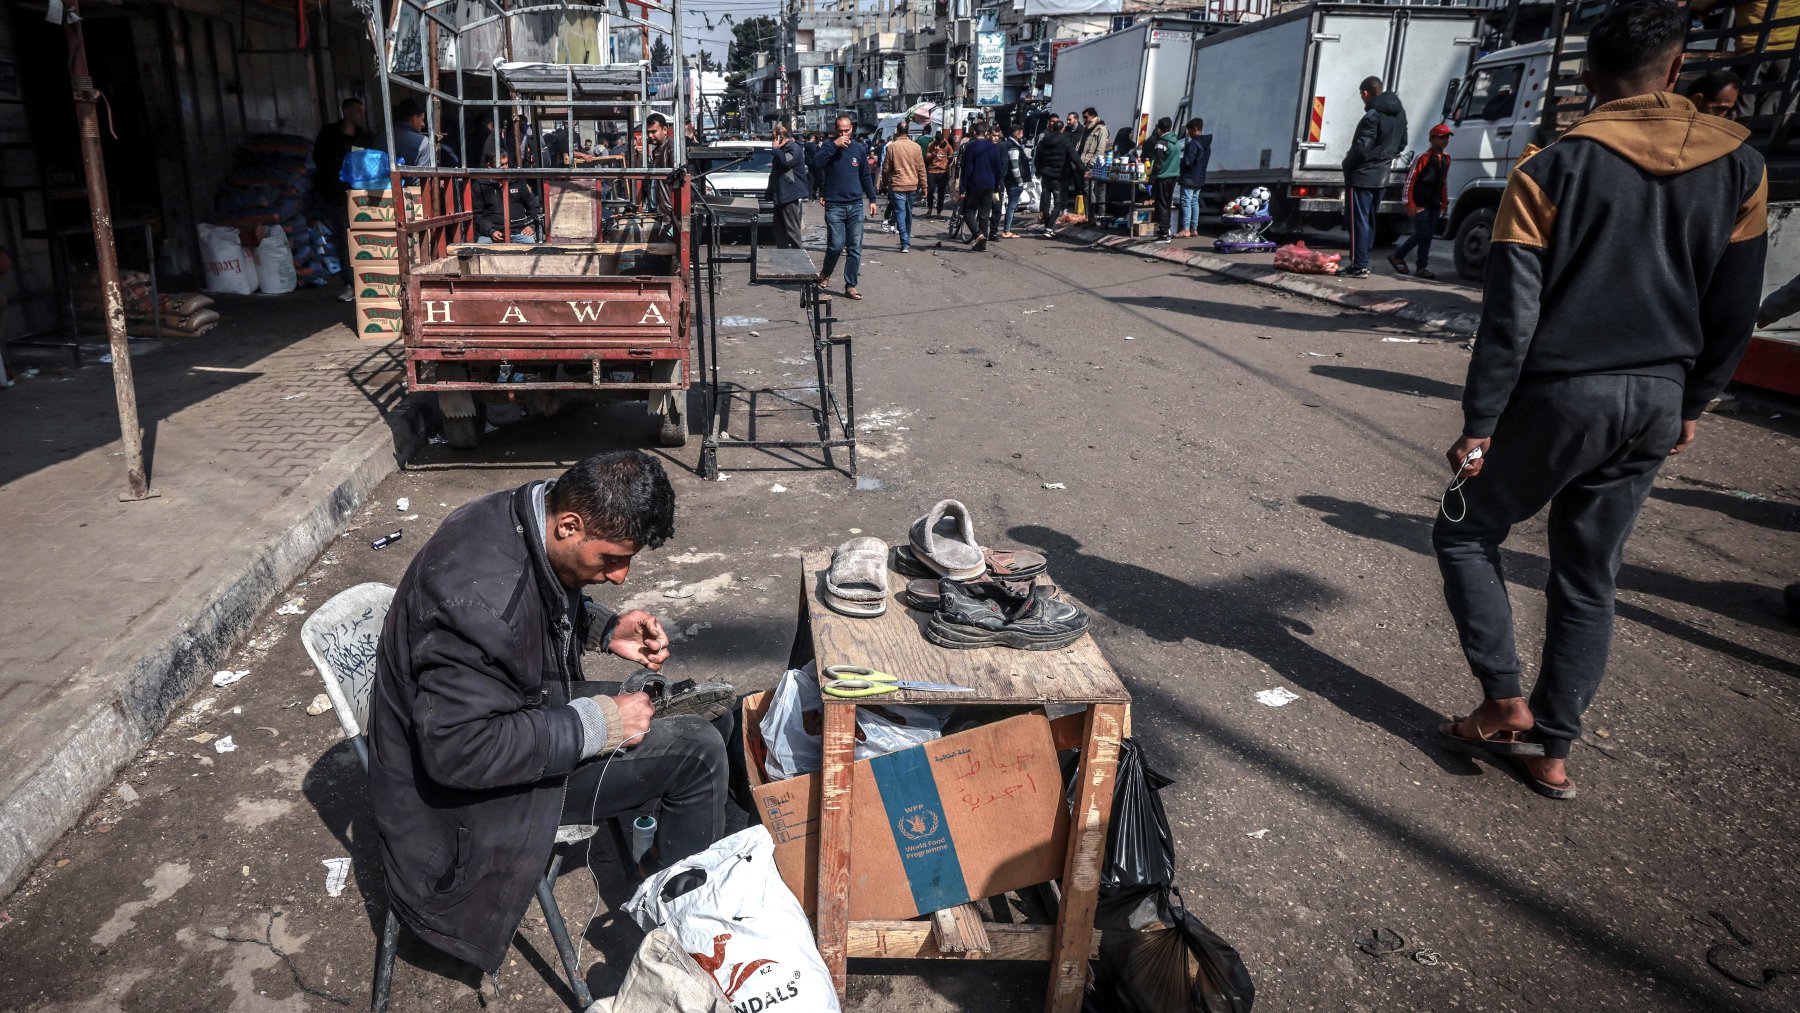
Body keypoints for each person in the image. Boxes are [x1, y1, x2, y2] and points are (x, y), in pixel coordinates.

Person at [1432, 0, 1766, 802]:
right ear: (1677, 71)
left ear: (1587, 77)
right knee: (1589, 572)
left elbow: (1510, 316)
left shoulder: (1549, 168)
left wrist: (1480, 425)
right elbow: (1735, 306)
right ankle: (1554, 749)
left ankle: (1504, 697)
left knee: (1465, 528)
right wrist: (1695, 400)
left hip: (1559, 397)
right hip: (1655, 401)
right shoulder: (1740, 168)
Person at [368, 451, 731, 975]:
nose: (619, 576)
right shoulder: (478, 603)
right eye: (610, 559)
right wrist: (600, 724)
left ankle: (671, 859)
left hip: (505, 716)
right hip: (462, 806)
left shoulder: (527, 511)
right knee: (697, 753)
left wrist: (603, 628)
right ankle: (687, 935)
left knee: (683, 701)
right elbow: (458, 754)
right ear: (570, 525)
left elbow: (538, 595)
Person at [1341, 76, 1407, 278]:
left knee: (1358, 221)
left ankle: (1358, 265)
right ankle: (1364, 262)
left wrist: (1348, 163)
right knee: (1369, 220)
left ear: (1365, 93)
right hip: (1382, 175)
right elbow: (1402, 143)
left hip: (1362, 175)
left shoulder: (1372, 116)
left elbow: (1361, 148)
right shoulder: (1400, 114)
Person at [811, 114, 879, 300]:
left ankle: (850, 285)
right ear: (835, 130)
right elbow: (816, 163)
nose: (843, 134)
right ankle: (826, 272)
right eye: (840, 131)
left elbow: (865, 176)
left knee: (854, 247)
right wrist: (834, 145)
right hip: (834, 206)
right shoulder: (828, 146)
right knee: (835, 245)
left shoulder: (859, 149)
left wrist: (872, 199)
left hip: (855, 205)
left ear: (852, 129)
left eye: (846, 130)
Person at [312, 97, 372, 303]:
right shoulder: (328, 134)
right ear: (346, 113)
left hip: (359, 195)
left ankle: (366, 282)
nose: (361, 116)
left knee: (362, 237)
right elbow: (319, 160)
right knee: (345, 239)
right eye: (358, 112)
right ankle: (350, 284)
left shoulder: (364, 137)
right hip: (335, 196)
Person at [1388, 123, 1453, 279]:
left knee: (1428, 236)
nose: (1445, 141)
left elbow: (1442, 181)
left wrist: (1444, 202)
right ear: (1432, 139)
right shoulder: (1423, 158)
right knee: (1422, 234)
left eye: (1447, 138)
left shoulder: (1446, 159)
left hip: (1434, 203)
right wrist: (1409, 203)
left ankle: (1421, 267)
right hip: (1420, 203)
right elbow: (1410, 181)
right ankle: (1398, 255)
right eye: (1441, 137)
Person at [958, 124, 1009, 251]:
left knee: (968, 211)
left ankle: (979, 235)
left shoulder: (970, 147)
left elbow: (967, 169)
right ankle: (982, 243)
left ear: (974, 133)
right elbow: (998, 168)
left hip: (974, 185)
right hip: (990, 185)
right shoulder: (993, 148)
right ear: (986, 133)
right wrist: (997, 185)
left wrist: (963, 187)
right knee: (984, 214)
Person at [473, 151, 542, 243]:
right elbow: (477, 215)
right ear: (490, 166)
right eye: (501, 165)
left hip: (519, 232)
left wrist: (531, 226)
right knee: (481, 247)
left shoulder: (518, 181)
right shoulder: (480, 185)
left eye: (506, 163)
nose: (505, 167)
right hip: (491, 234)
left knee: (529, 244)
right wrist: (490, 231)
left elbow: (533, 207)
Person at [878, 122, 927, 253]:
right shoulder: (916, 147)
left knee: (900, 212)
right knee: (908, 212)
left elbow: (886, 168)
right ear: (908, 131)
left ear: (897, 131)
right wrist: (925, 186)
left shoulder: (892, 147)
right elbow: (921, 168)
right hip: (912, 184)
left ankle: (904, 242)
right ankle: (907, 239)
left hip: (897, 185)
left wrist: (883, 182)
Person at [767, 123, 810, 250]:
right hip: (780, 195)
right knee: (779, 229)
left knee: (792, 229)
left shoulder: (794, 148)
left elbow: (786, 162)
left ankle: (799, 257)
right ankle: (784, 257)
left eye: (774, 138)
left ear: (780, 138)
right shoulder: (783, 149)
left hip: (789, 195)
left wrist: (776, 150)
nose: (773, 141)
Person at [1032, 117, 1077, 237]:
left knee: (1046, 202)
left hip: (1046, 176)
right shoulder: (1065, 141)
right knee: (1058, 203)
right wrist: (1084, 170)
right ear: (1062, 129)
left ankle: (1047, 227)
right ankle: (1049, 228)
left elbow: (1037, 158)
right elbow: (1074, 157)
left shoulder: (1043, 141)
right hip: (1059, 176)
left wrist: (1040, 170)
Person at [1177, 118, 1211, 239]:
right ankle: (1194, 228)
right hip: (1200, 177)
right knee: (1194, 202)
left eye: (1189, 130)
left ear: (1195, 129)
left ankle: (1185, 229)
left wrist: (1179, 162)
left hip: (1189, 177)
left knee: (1186, 202)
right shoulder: (1206, 145)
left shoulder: (1193, 144)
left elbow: (1188, 162)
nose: (1188, 133)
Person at [1149, 116, 1182, 242]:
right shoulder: (1176, 142)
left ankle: (1164, 233)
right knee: (1167, 204)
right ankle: (1166, 229)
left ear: (1159, 129)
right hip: (1173, 176)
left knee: (1161, 205)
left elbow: (1157, 164)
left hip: (1163, 177)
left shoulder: (1161, 143)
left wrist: (1151, 180)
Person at [1001, 123, 1035, 240]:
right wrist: (1020, 181)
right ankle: (1007, 230)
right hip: (1013, 181)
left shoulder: (1007, 144)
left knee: (1011, 204)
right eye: (1021, 131)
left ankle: (1006, 229)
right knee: (1012, 205)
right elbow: (1015, 166)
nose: (1022, 133)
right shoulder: (1013, 147)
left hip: (1009, 180)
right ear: (1016, 133)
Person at [1076, 108, 1109, 218]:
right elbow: (1081, 145)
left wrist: (1090, 165)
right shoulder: (1086, 128)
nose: (1084, 119)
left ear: (1093, 116)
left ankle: (1095, 215)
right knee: (1087, 189)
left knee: (1092, 189)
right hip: (1083, 162)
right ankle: (1089, 216)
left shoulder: (1101, 129)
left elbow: (1100, 149)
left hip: (1096, 164)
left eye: (1086, 117)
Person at [391, 97, 434, 169]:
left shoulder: (380, 138)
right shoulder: (423, 142)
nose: (423, 124)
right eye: (422, 119)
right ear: (414, 118)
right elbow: (422, 177)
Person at [926, 133, 954, 216]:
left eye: (942, 142)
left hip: (943, 171)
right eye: (939, 142)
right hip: (932, 171)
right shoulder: (931, 145)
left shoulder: (947, 145)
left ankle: (939, 211)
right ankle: (930, 208)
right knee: (930, 191)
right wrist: (934, 152)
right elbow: (927, 157)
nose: (941, 144)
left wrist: (947, 165)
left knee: (941, 193)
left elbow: (951, 156)